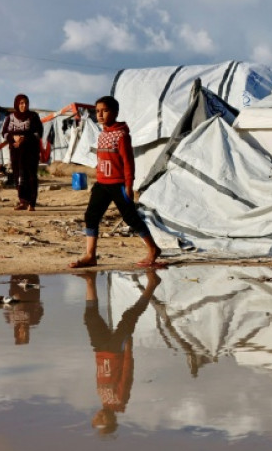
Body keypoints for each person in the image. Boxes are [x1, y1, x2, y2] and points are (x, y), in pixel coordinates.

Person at [69, 96, 162, 268]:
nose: (100, 114)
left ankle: (153, 249)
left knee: (130, 217)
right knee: (91, 216)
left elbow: (128, 162)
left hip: (118, 183)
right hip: (102, 183)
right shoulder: (102, 134)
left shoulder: (122, 135)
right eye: (97, 111)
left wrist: (129, 185)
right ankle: (90, 255)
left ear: (115, 112)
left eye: (104, 111)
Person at [77, 270, 160, 435]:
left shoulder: (103, 400)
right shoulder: (120, 400)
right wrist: (128, 350)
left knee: (90, 318)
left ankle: (89, 280)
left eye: (95, 419)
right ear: (108, 421)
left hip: (100, 351)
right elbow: (127, 374)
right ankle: (152, 285)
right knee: (130, 316)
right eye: (99, 420)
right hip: (116, 351)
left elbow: (100, 374)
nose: (96, 416)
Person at [1, 93, 43, 211]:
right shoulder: (10, 117)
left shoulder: (33, 116)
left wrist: (24, 138)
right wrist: (13, 138)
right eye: (21, 103)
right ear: (17, 104)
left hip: (30, 152)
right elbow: (4, 133)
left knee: (31, 176)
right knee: (18, 177)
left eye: (26, 103)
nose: (23, 105)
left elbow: (39, 133)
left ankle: (32, 203)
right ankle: (22, 201)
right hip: (16, 152)